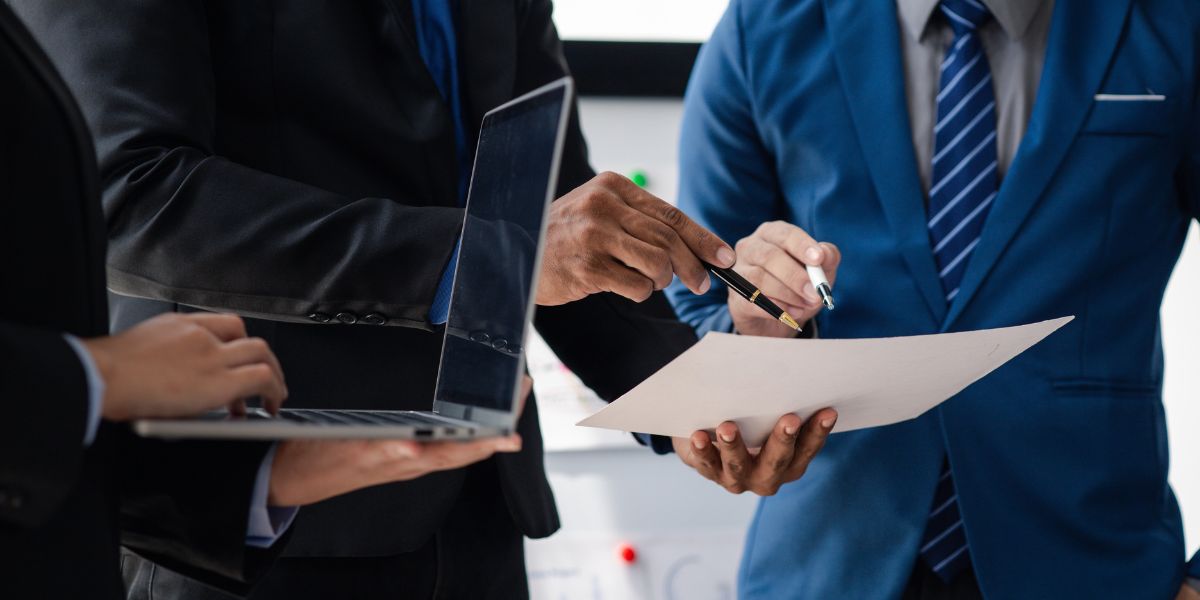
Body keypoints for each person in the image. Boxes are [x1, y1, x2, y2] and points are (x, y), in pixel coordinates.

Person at [7, 1, 839, 597]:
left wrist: (704, 397)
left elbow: (551, 215)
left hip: (477, 518)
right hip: (251, 522)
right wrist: (490, 256)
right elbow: (131, 189)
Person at [664, 0, 1200, 597]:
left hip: (1094, 564)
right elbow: (692, 302)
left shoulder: (1175, 22)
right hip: (829, 563)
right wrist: (753, 340)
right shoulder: (766, 25)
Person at [0, 4, 528, 596]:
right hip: (254, 521)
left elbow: (556, 203)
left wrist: (652, 383)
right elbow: (128, 189)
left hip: (468, 493)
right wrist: (102, 377)